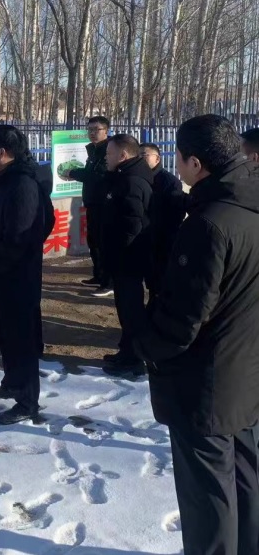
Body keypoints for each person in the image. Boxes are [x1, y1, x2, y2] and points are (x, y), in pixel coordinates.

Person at [135, 115, 259, 555]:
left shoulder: (209, 223)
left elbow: (183, 319)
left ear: (195, 164)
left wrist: (146, 346)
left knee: (208, 495)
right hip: (245, 369)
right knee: (244, 477)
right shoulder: (248, 203)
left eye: (179, 158)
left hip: (206, 381)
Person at [0, 125, 52, 425]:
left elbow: (22, 234)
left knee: (22, 341)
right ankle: (12, 382)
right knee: (8, 336)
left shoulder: (23, 185)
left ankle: (27, 401)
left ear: (3, 153)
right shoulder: (8, 179)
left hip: (17, 277)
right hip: (6, 276)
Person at [0, 163, 55, 351]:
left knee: (25, 304)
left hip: (20, 259)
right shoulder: (6, 178)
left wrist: (32, 244)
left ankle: (32, 345)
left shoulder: (26, 181)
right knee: (3, 298)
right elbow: (0, 202)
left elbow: (47, 217)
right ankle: (3, 336)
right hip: (2, 254)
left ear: (3, 152)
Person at [101, 134, 152, 377]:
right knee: (125, 307)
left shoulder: (131, 181)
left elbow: (133, 224)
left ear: (122, 155)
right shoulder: (124, 176)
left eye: (109, 153)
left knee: (131, 309)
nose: (106, 157)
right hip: (124, 258)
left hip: (128, 259)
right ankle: (126, 350)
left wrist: (119, 253)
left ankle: (133, 359)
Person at [64, 116, 112, 297]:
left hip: (105, 204)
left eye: (96, 129)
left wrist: (74, 173)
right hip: (92, 202)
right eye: (90, 129)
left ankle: (109, 282)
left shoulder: (109, 151)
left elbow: (99, 175)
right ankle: (98, 276)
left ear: (106, 131)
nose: (92, 133)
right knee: (94, 242)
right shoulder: (94, 150)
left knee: (104, 243)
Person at [139, 143, 185, 297]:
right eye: (138, 156)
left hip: (162, 238)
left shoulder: (169, 182)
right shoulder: (138, 178)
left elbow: (176, 214)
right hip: (144, 235)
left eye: (144, 155)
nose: (140, 159)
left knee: (161, 278)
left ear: (157, 159)